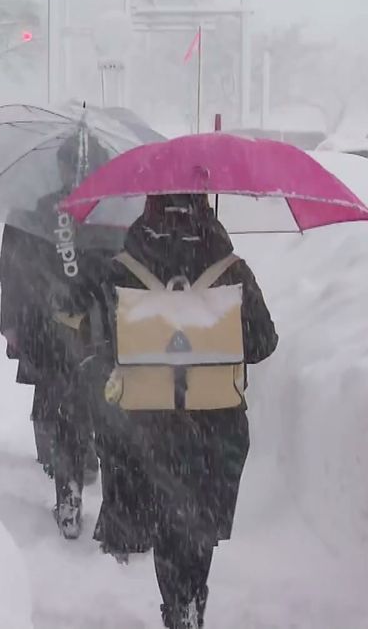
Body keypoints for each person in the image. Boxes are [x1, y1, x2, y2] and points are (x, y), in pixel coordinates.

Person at [88, 193, 278, 629]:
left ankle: (176, 606)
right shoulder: (231, 270)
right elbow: (264, 343)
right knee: (200, 523)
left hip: (147, 420)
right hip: (216, 422)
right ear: (205, 209)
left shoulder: (122, 269)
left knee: (166, 523)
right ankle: (193, 597)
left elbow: (101, 346)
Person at [0, 132, 112, 539]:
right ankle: (110, 497)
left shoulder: (43, 211)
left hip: (51, 332)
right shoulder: (110, 215)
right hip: (100, 337)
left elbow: (19, 272)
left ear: (62, 168)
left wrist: (16, 323)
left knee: (63, 416)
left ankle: (69, 492)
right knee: (105, 413)